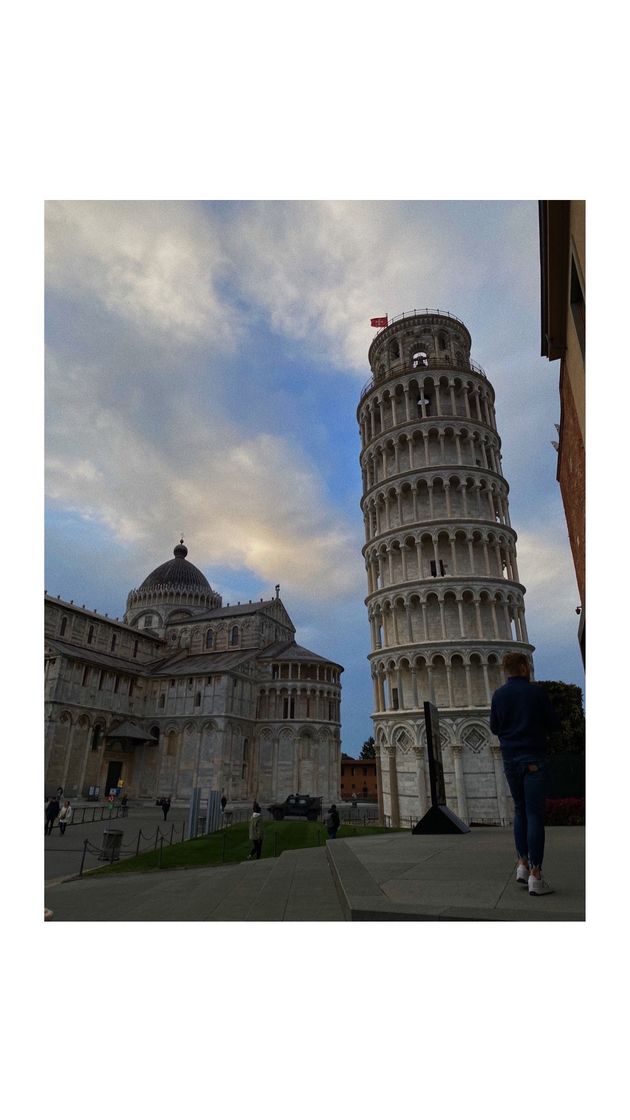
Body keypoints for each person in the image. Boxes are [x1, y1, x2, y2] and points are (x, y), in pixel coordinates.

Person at [490, 651, 560, 896]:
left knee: (519, 810)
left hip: (510, 759)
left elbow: (494, 727)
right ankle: (536, 874)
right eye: (527, 665)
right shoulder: (536, 692)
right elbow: (553, 723)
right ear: (522, 667)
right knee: (534, 814)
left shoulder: (498, 695)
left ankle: (522, 862)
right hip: (533, 759)